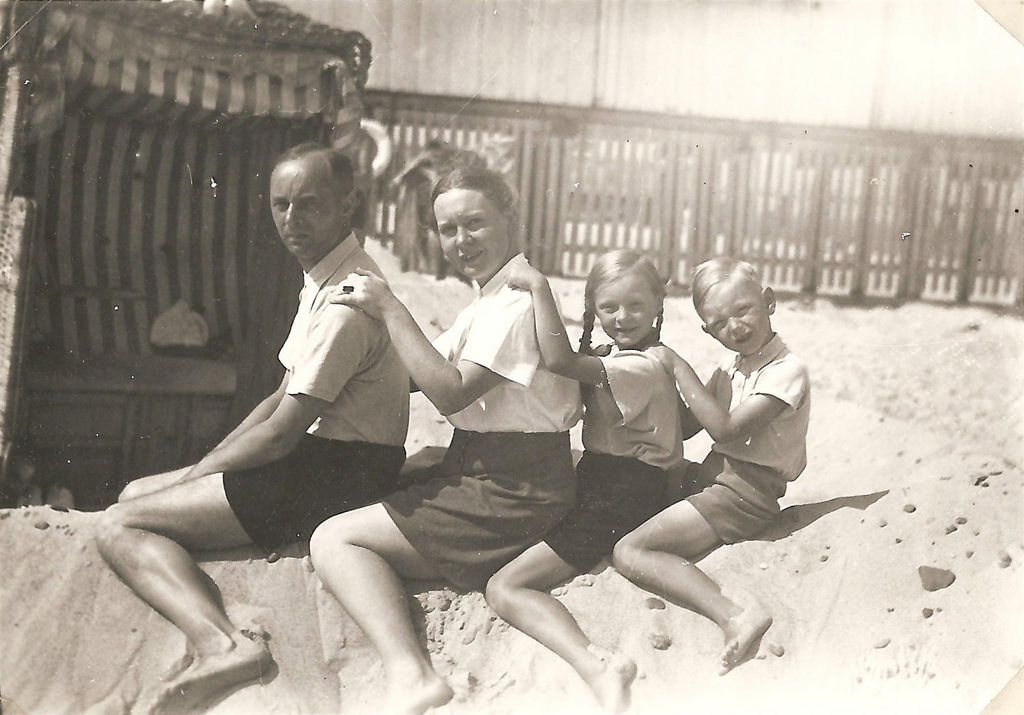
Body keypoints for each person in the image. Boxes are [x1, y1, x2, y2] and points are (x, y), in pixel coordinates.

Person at [90, 142, 410, 714]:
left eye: (309, 205)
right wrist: (198, 471)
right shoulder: (325, 274)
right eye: (281, 204)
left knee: (119, 525)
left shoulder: (345, 301)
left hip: (339, 475)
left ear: (348, 205)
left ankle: (224, 645)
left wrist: (197, 476)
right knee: (137, 492)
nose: (292, 220)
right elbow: (280, 393)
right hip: (330, 461)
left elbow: (284, 432)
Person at [312, 164, 582, 715]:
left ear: (510, 218)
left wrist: (389, 306)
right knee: (414, 464)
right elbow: (414, 371)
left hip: (514, 490)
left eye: (475, 223)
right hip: (493, 470)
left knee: (334, 539)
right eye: (449, 229)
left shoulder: (514, 304)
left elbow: (451, 391)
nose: (462, 241)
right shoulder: (488, 299)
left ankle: (410, 675)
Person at [484, 250, 686, 714]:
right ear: (593, 308)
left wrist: (538, 286)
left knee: (505, 586)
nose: (622, 317)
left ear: (659, 303)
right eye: (609, 307)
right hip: (602, 479)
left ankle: (596, 664)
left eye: (635, 305)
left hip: (625, 493)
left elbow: (557, 360)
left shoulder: (640, 365)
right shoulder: (616, 357)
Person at [612, 256, 811, 675]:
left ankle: (735, 614)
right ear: (708, 330)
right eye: (720, 323)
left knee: (630, 550)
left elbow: (725, 431)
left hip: (745, 495)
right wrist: (645, 370)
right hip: (716, 481)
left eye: (743, 310)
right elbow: (687, 427)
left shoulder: (786, 371)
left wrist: (679, 366)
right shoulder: (732, 367)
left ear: (768, 302)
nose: (735, 327)